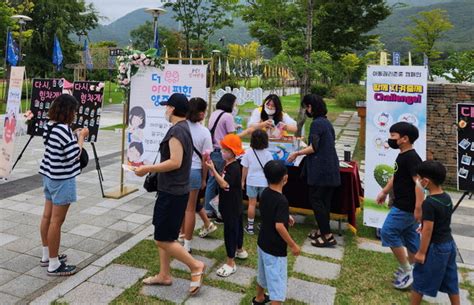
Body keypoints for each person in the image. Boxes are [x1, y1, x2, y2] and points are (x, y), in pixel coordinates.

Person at [134, 93, 206, 295]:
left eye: (167, 107)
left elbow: (175, 161)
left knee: (162, 239)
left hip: (172, 192)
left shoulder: (177, 131)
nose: (165, 110)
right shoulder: (184, 129)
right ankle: (164, 275)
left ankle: (195, 266)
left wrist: (148, 168)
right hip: (174, 190)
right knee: (163, 233)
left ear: (173, 109)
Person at [38, 94, 89, 276]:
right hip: (62, 178)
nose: (75, 114)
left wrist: (73, 135)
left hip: (49, 175)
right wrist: (81, 137)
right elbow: (74, 154)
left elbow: (56, 146)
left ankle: (47, 255)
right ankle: (54, 264)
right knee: (56, 222)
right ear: (68, 111)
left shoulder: (50, 126)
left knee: (47, 217)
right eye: (74, 111)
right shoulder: (63, 129)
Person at [287, 94, 340, 248]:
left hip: (320, 170)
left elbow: (314, 147)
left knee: (317, 201)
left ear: (312, 107)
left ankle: (327, 236)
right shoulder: (326, 122)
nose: (306, 110)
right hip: (331, 167)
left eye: (307, 107)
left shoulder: (317, 124)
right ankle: (322, 229)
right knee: (324, 202)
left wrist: (297, 153)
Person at [376, 122, 423, 289]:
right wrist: (384, 191)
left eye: (393, 136)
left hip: (406, 207)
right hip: (405, 206)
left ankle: (407, 270)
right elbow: (396, 177)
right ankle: (417, 272)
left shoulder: (411, 158)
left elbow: (419, 184)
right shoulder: (402, 155)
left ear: (404, 139)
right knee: (411, 238)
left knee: (387, 232)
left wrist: (418, 207)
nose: (390, 139)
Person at [411, 161, 460, 305]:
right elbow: (441, 220)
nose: (418, 182)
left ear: (426, 181)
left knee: (420, 278)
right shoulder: (446, 197)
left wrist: (421, 252)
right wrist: (425, 225)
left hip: (436, 248)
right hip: (449, 245)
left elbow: (428, 230)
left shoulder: (429, 203)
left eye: (419, 179)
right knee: (451, 280)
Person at [252, 160, 300, 305]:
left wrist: (286, 216)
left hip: (262, 243)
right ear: (285, 178)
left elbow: (271, 211)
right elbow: (279, 226)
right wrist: (293, 245)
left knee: (262, 273)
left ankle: (259, 298)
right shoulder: (282, 200)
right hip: (275, 249)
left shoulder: (265, 193)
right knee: (277, 283)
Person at [206, 134, 248, 277]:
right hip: (233, 204)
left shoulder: (234, 168)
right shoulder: (230, 164)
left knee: (230, 231)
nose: (222, 152)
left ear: (232, 152)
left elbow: (224, 184)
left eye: (224, 150)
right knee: (237, 227)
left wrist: (213, 169)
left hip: (231, 206)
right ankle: (240, 249)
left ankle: (230, 262)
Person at [181, 97, 217, 253]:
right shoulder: (204, 132)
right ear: (202, 114)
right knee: (190, 209)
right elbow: (205, 159)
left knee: (181, 207)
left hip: (178, 171)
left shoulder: (179, 127)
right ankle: (187, 244)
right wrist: (204, 178)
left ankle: (181, 235)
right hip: (195, 172)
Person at [204, 93, 238, 221]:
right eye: (235, 103)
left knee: (212, 181)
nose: (235, 106)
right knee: (219, 182)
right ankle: (217, 210)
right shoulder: (228, 116)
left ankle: (208, 209)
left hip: (212, 150)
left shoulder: (215, 113)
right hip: (222, 152)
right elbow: (232, 136)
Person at [241, 129, 273, 235]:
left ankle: (250, 226)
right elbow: (270, 169)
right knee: (264, 205)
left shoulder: (248, 153)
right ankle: (264, 225)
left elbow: (244, 168)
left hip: (251, 181)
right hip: (264, 182)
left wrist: (242, 180)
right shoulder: (268, 154)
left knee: (252, 204)